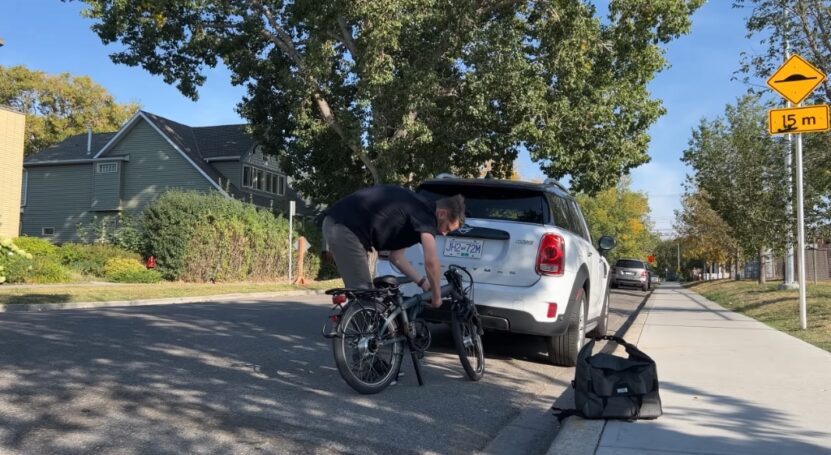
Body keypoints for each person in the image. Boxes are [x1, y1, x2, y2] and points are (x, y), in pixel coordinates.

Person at [322, 185, 465, 308]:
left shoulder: (415, 212)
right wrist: (437, 295)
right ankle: (355, 338)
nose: (444, 234)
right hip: (344, 226)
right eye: (446, 228)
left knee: (369, 299)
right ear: (441, 213)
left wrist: (423, 283)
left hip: (345, 226)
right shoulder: (426, 215)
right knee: (365, 298)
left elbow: (396, 257)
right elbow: (431, 262)